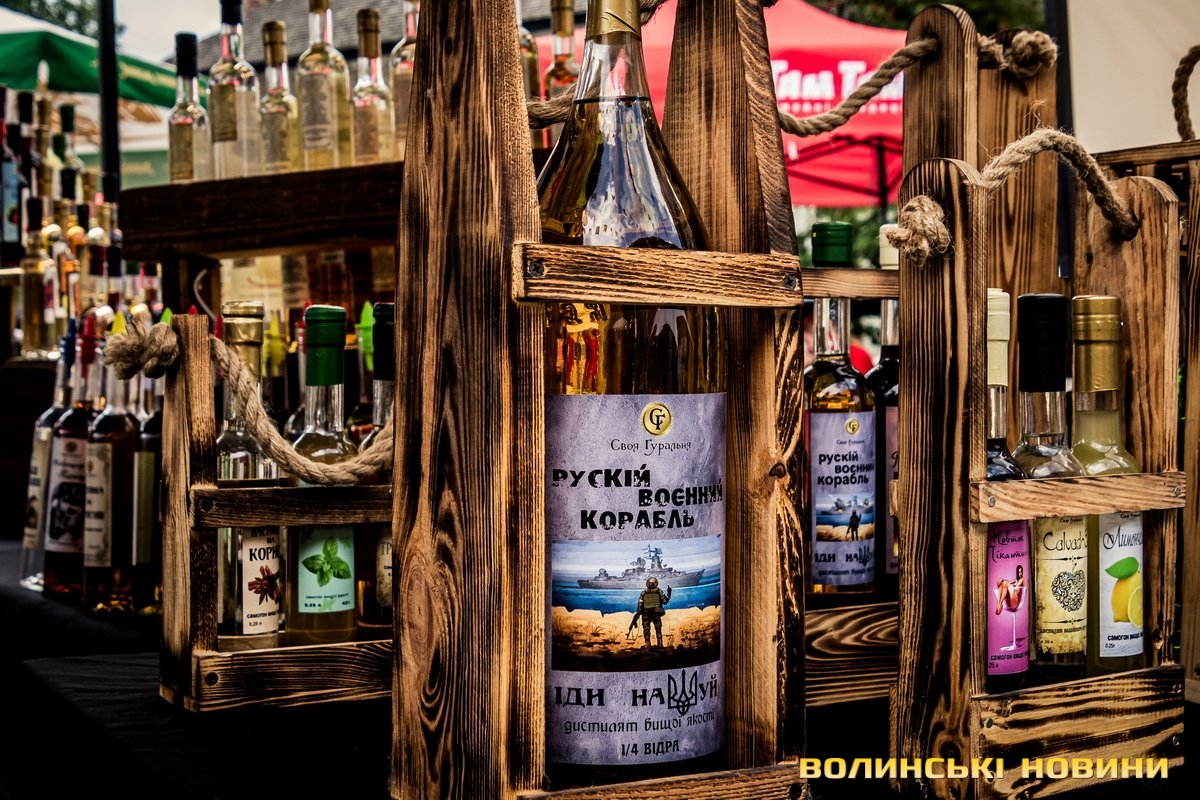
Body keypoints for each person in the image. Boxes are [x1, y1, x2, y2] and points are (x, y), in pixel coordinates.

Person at [637, 576, 672, 647]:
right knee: (658, 628)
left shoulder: (643, 592)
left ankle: (647, 645)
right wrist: (669, 593)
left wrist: (640, 612)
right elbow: (665, 601)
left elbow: (640, 604)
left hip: (646, 613)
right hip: (656, 613)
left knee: (646, 629)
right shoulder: (659, 591)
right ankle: (660, 644)